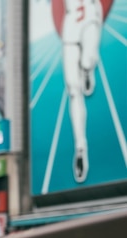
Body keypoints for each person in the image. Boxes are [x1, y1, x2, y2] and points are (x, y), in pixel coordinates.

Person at [58, 0, 104, 183]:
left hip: (89, 14)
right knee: (72, 88)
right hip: (71, 23)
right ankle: (80, 148)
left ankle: (86, 69)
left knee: (87, 60)